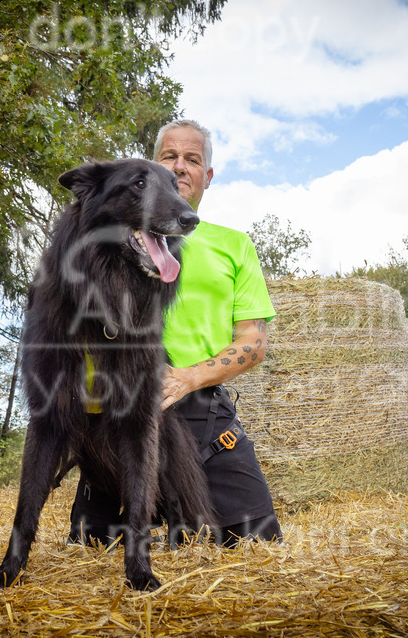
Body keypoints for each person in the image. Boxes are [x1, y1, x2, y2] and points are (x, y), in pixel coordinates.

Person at [69, 118, 282, 547]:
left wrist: (187, 378)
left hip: (204, 417)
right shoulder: (104, 237)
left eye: (192, 159)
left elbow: (253, 344)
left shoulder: (234, 244)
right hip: (117, 417)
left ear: (208, 176)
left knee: (260, 547)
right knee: (93, 553)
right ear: (153, 165)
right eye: (169, 157)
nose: (180, 167)